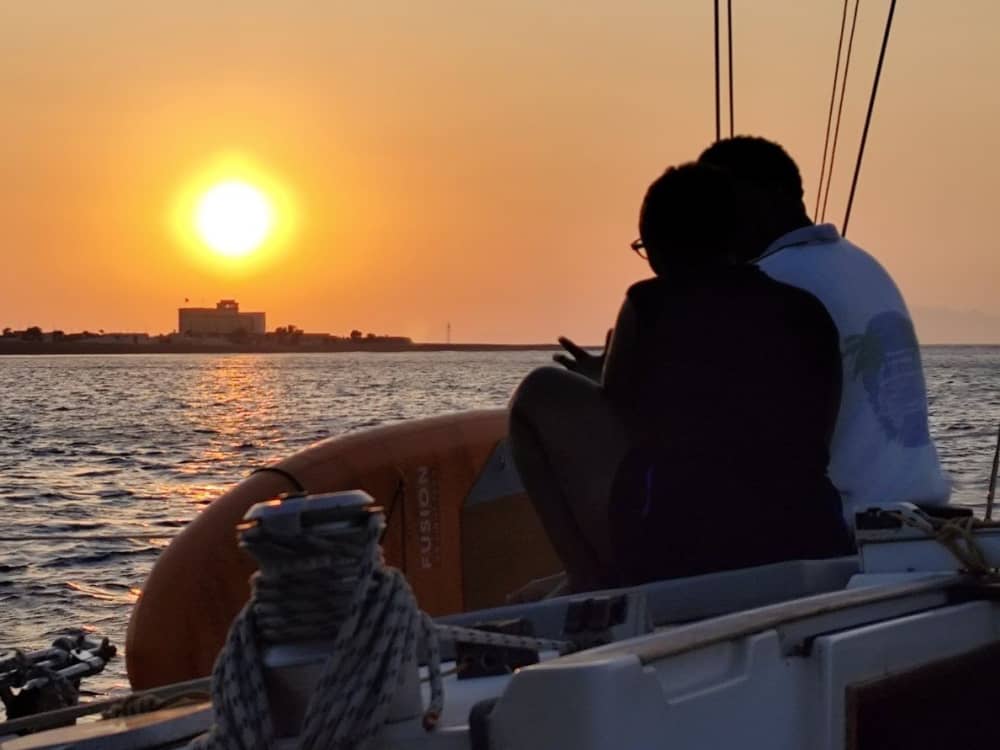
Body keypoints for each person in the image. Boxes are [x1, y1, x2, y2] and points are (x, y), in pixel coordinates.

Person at [508, 162, 853, 592]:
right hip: (812, 537)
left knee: (538, 391)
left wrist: (601, 374)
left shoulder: (648, 304)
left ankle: (586, 577)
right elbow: (815, 441)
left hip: (685, 551)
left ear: (655, 248)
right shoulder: (809, 312)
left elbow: (623, 420)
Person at [698, 136, 950, 526]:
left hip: (847, 524)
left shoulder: (770, 282)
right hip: (926, 515)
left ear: (763, 197)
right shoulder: (864, 265)